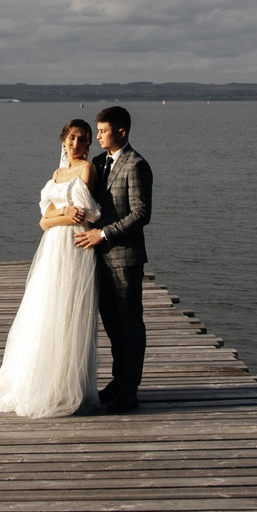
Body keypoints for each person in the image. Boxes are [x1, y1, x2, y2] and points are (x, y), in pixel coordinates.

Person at [0, 120, 103, 419]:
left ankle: (66, 387)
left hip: (73, 245)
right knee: (45, 307)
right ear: (63, 140)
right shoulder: (57, 174)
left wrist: (57, 216)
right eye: (72, 138)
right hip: (52, 248)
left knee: (68, 310)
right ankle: (40, 378)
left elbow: (83, 215)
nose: (76, 144)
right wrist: (56, 215)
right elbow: (44, 218)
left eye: (83, 139)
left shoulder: (86, 170)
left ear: (88, 144)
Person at [72, 104, 150, 411]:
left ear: (121, 131)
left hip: (124, 259)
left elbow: (141, 214)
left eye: (103, 131)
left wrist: (101, 235)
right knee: (113, 327)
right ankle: (118, 382)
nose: (98, 136)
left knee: (130, 326)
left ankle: (129, 392)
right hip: (99, 260)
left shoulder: (137, 164)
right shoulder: (99, 162)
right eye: (98, 131)